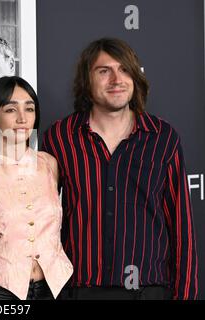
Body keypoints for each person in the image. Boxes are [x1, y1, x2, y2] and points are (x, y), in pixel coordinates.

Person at [42, 38, 198, 300]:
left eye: (124, 69)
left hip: (148, 289)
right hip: (80, 288)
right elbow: (41, 218)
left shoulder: (163, 137)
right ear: (86, 81)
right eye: (104, 71)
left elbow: (182, 228)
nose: (117, 79)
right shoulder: (60, 137)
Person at [0, 76, 73, 300]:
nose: (22, 118)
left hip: (55, 285)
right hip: (0, 289)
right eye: (10, 110)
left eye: (29, 108)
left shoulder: (49, 164)